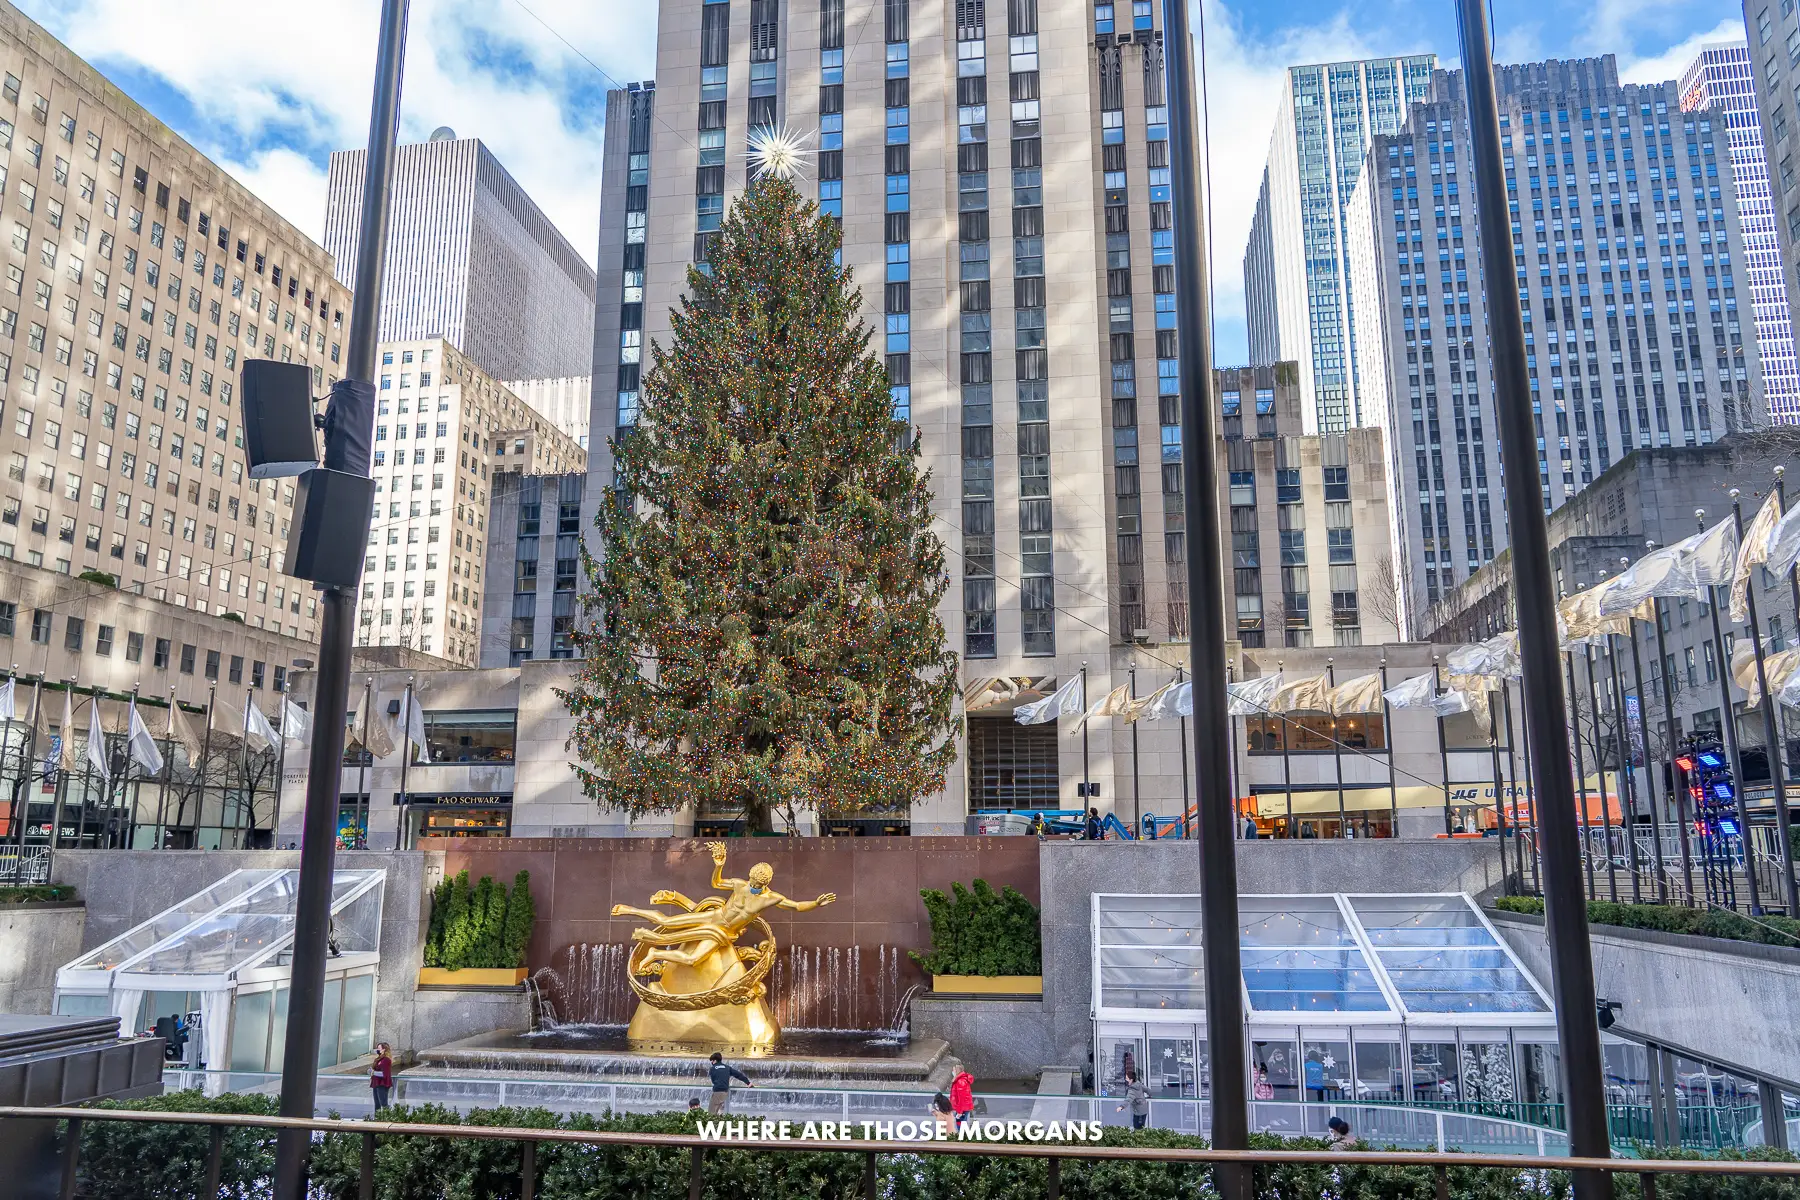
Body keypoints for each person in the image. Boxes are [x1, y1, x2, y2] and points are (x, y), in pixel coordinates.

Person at [369, 1043, 393, 1112]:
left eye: (379, 1048)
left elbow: (384, 1074)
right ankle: (377, 1118)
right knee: (377, 1104)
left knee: (383, 1103)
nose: (377, 1050)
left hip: (382, 1084)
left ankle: (387, 1117)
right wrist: (371, 1071)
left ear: (384, 1050)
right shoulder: (378, 1059)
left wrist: (373, 1072)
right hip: (376, 1083)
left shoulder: (386, 1060)